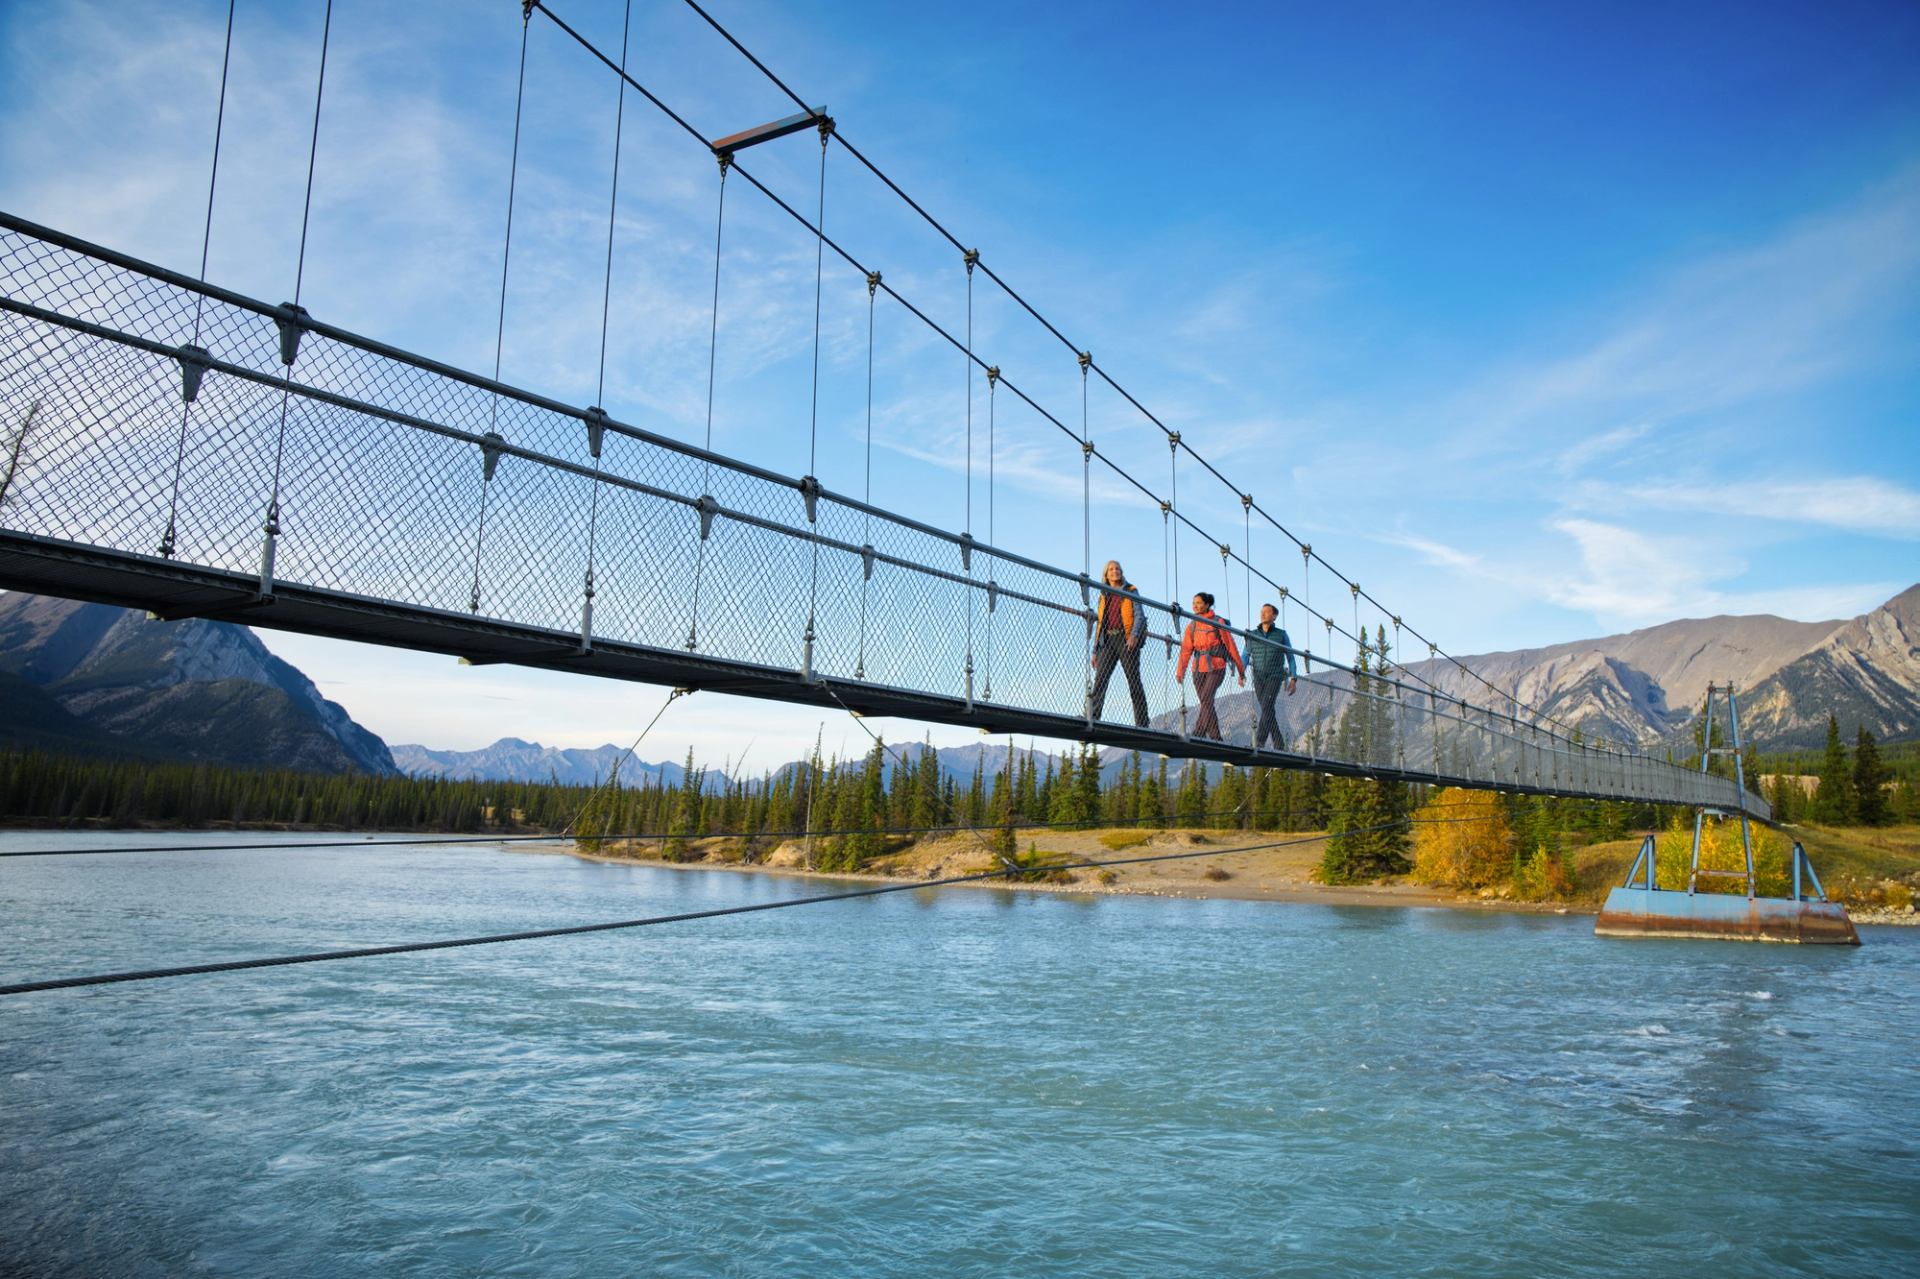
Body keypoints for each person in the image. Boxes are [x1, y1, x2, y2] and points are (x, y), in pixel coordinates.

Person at [1087, 558, 1149, 727]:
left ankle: (1142, 723)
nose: (1115, 571)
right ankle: (1092, 716)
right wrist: (1094, 651)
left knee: (1133, 680)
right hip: (1107, 639)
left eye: (1118, 569)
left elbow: (1139, 616)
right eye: (1112, 569)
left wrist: (1134, 636)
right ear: (1106, 574)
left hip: (1125, 638)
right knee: (1100, 679)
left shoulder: (1131, 590)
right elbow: (1100, 623)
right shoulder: (1103, 594)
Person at [1175, 591, 1244, 741]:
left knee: (1206, 699)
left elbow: (1231, 646)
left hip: (1216, 667)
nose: (1195, 606)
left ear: (1207, 605)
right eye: (1194, 603)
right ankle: (1216, 737)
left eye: (1199, 603)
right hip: (1198, 670)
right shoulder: (1192, 626)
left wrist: (1241, 670)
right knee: (1207, 703)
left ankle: (1199, 732)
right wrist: (1181, 671)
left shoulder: (1218, 622)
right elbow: (1186, 650)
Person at [1246, 602, 1298, 750]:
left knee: (1267, 706)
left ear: (1274, 616)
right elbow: (1245, 654)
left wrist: (1293, 678)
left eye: (1267, 612)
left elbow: (1291, 657)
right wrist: (1241, 671)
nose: (1263, 614)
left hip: (1275, 676)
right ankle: (1279, 744)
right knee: (1267, 709)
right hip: (1258, 678)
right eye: (1261, 611)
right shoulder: (1253, 635)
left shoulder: (1281, 634)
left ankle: (1259, 743)